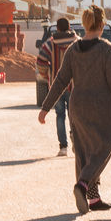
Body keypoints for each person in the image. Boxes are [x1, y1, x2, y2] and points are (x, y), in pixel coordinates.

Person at [38, 4, 111, 214]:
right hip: (101, 107)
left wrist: (46, 107)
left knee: (82, 151)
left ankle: (93, 198)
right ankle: (83, 185)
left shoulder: (73, 50)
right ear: (101, 24)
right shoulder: (106, 48)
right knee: (102, 149)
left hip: (77, 107)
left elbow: (61, 80)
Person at [36, 17, 78, 156]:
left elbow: (41, 62)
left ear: (58, 29)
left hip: (56, 86)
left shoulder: (50, 44)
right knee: (74, 116)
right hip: (74, 86)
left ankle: (63, 147)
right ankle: (76, 143)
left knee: (60, 115)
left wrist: (48, 76)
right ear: (69, 27)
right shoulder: (77, 42)